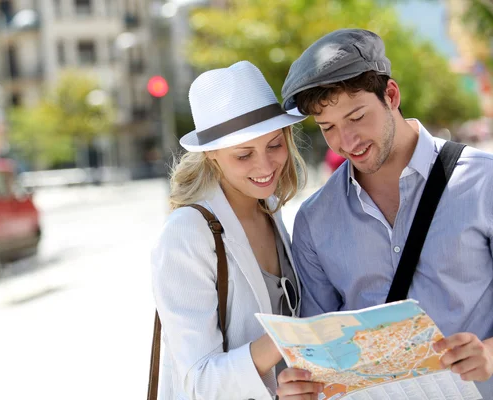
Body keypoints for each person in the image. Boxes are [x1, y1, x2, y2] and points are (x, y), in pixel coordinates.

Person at [275, 28, 493, 399]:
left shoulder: (484, 181)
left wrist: (490, 353)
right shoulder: (314, 220)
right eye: (328, 128)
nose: (346, 141)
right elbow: (318, 349)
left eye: (357, 116)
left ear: (391, 95)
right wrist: (301, 385)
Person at [151, 61, 310, 399]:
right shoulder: (188, 232)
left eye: (274, 145)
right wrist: (291, 337)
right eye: (243, 155)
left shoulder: (269, 209)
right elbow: (198, 381)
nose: (265, 166)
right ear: (211, 155)